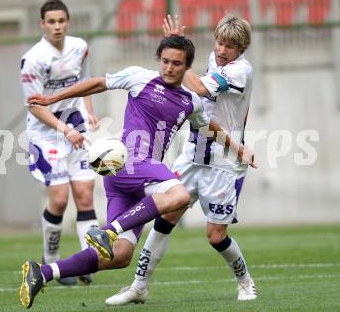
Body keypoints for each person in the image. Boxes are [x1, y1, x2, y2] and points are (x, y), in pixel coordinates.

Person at [19, 34, 256, 309]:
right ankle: (108, 231)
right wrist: (52, 98)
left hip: (135, 180)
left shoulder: (190, 101)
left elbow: (209, 126)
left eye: (176, 64)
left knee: (120, 256)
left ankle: (42, 272)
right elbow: (98, 83)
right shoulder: (139, 77)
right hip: (129, 164)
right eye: (165, 61)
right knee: (178, 196)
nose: (169, 68)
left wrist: (239, 149)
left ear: (187, 66)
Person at [105, 13, 257, 305]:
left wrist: (177, 52)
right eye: (220, 42)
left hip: (223, 164)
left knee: (215, 236)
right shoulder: (216, 61)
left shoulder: (240, 71)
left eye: (230, 46)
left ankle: (245, 281)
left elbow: (198, 89)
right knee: (165, 218)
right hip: (192, 155)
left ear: (241, 49)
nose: (222, 50)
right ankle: (139, 286)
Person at [20, 0, 100, 286]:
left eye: (61, 20)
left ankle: (88, 261)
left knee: (85, 195)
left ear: (68, 21)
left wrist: (89, 113)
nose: (57, 26)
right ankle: (51, 261)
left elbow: (87, 81)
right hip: (46, 132)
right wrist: (65, 129)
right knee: (59, 198)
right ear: (42, 24)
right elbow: (35, 106)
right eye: (51, 21)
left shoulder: (80, 47)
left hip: (76, 127)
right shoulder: (33, 59)